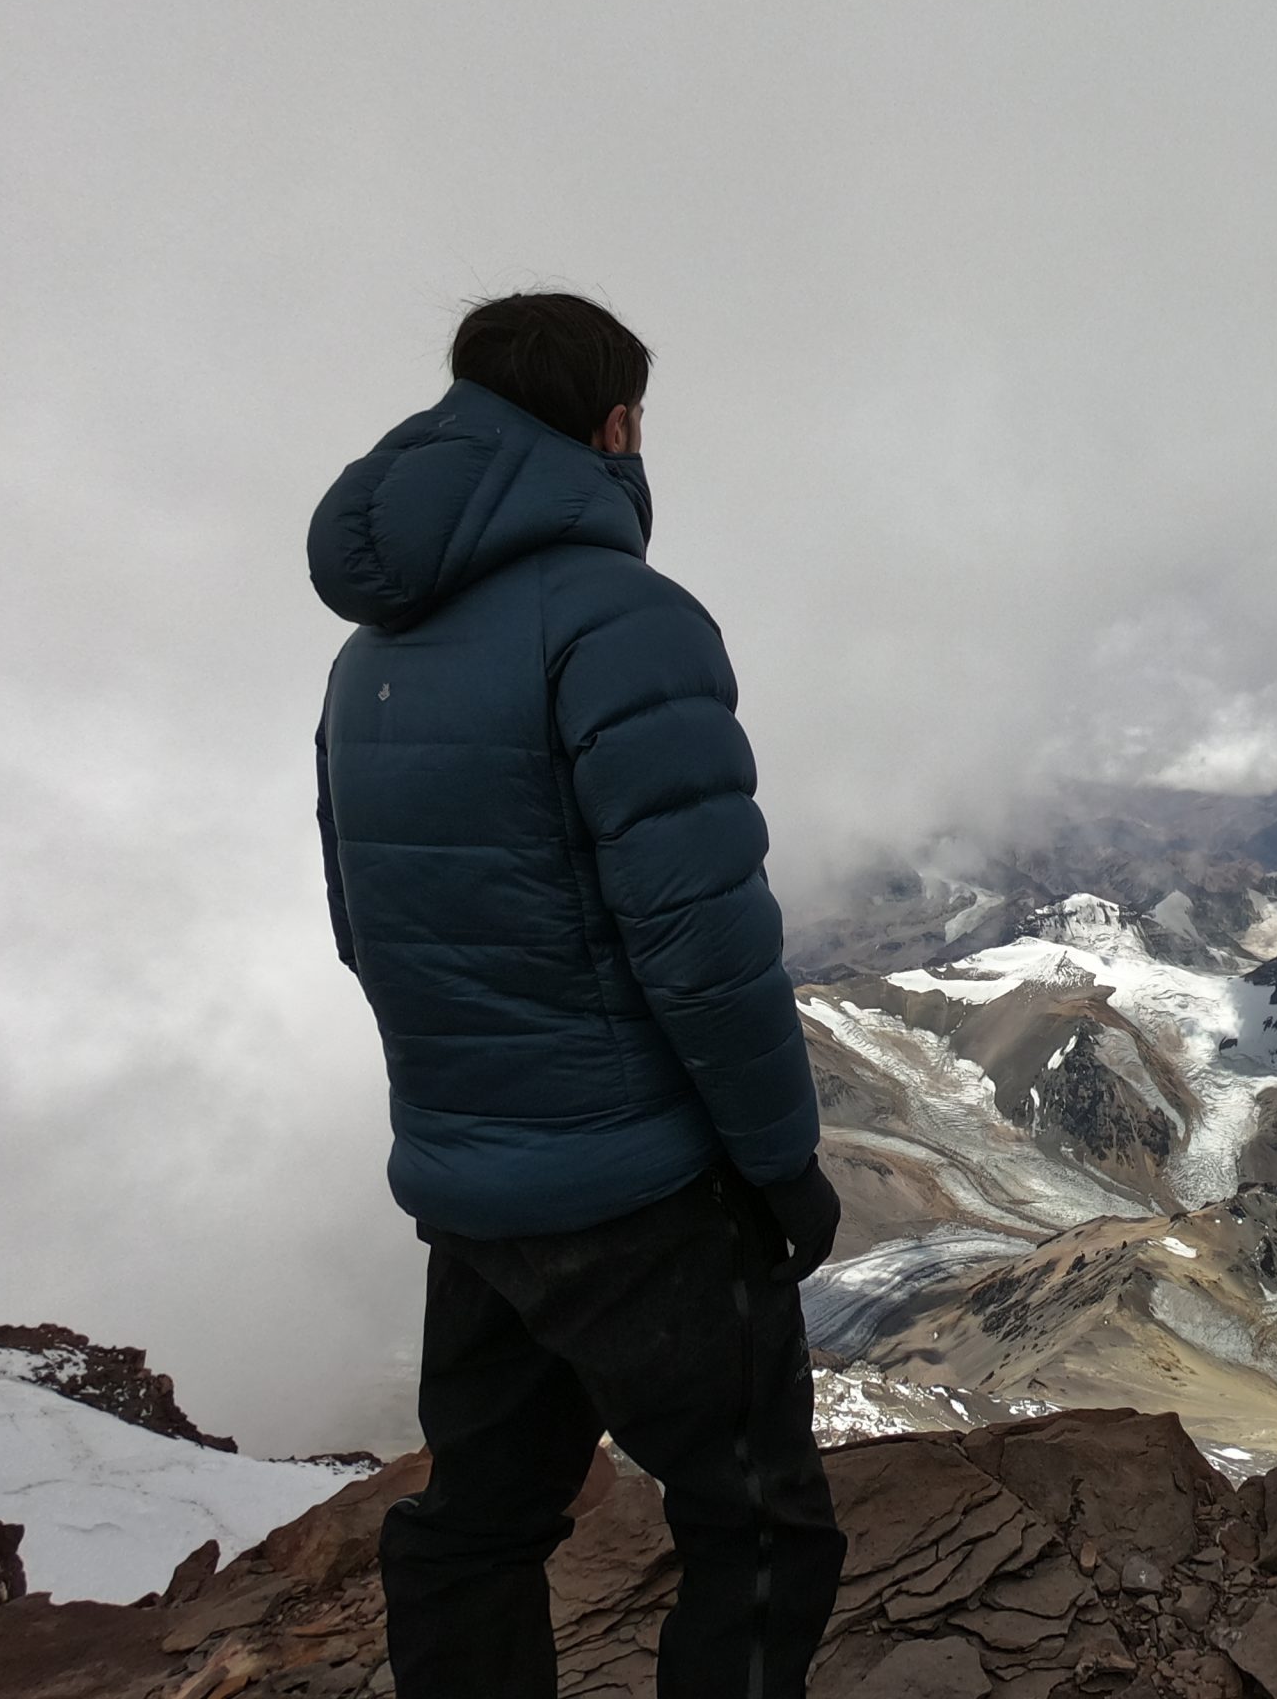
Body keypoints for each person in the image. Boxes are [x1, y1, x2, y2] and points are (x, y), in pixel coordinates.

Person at [307, 291, 845, 1699]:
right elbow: (702, 941)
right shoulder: (625, 624)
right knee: (760, 1524)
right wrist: (779, 1162)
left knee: (476, 1527)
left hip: (471, 1184)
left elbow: (364, 928)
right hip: (639, 1198)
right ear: (614, 426)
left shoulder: (371, 655)